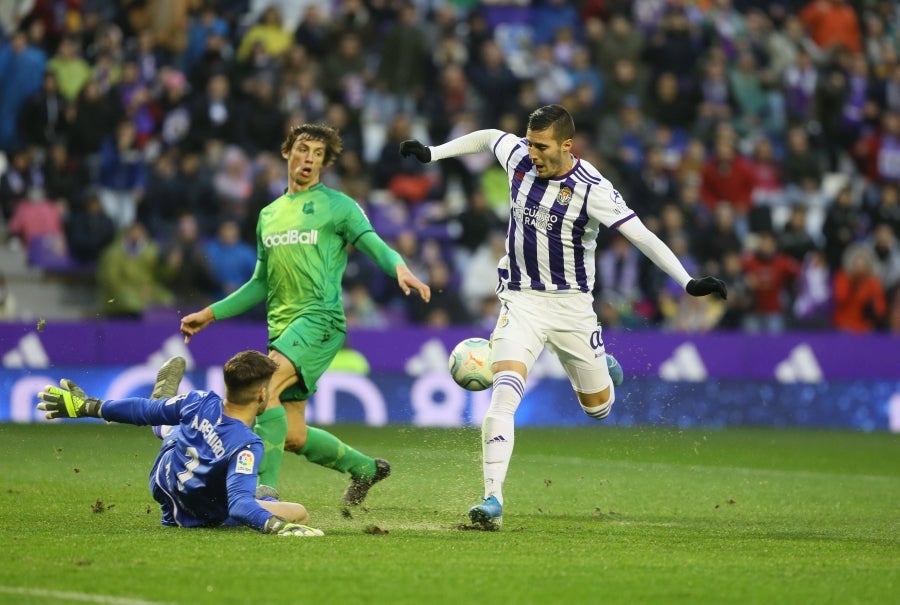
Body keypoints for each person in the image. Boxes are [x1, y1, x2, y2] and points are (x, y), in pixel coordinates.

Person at [400, 104, 727, 529]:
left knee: (599, 409)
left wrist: (687, 282)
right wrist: (432, 152)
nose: (531, 152)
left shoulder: (593, 188)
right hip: (520, 301)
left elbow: (642, 235)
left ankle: (605, 372)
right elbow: (487, 136)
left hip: (572, 307)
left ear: (566, 145)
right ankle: (492, 500)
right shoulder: (517, 154)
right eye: (530, 143)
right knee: (504, 394)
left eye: (541, 146)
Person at [179, 123, 431, 512]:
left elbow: (375, 245)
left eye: (318, 153)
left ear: (325, 162)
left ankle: (263, 492)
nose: (309, 158)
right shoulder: (268, 215)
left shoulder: (339, 206)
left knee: (265, 386)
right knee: (293, 434)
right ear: (287, 153)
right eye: (303, 149)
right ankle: (365, 469)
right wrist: (210, 314)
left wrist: (399, 267)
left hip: (321, 320)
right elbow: (259, 283)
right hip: (281, 328)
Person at [36, 350, 324, 537]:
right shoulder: (247, 445)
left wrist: (89, 406)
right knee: (294, 510)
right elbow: (239, 506)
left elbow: (141, 411)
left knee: (174, 426)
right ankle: (266, 501)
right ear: (262, 395)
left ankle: (164, 400)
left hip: (163, 480)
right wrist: (276, 525)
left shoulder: (199, 400)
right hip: (196, 512)